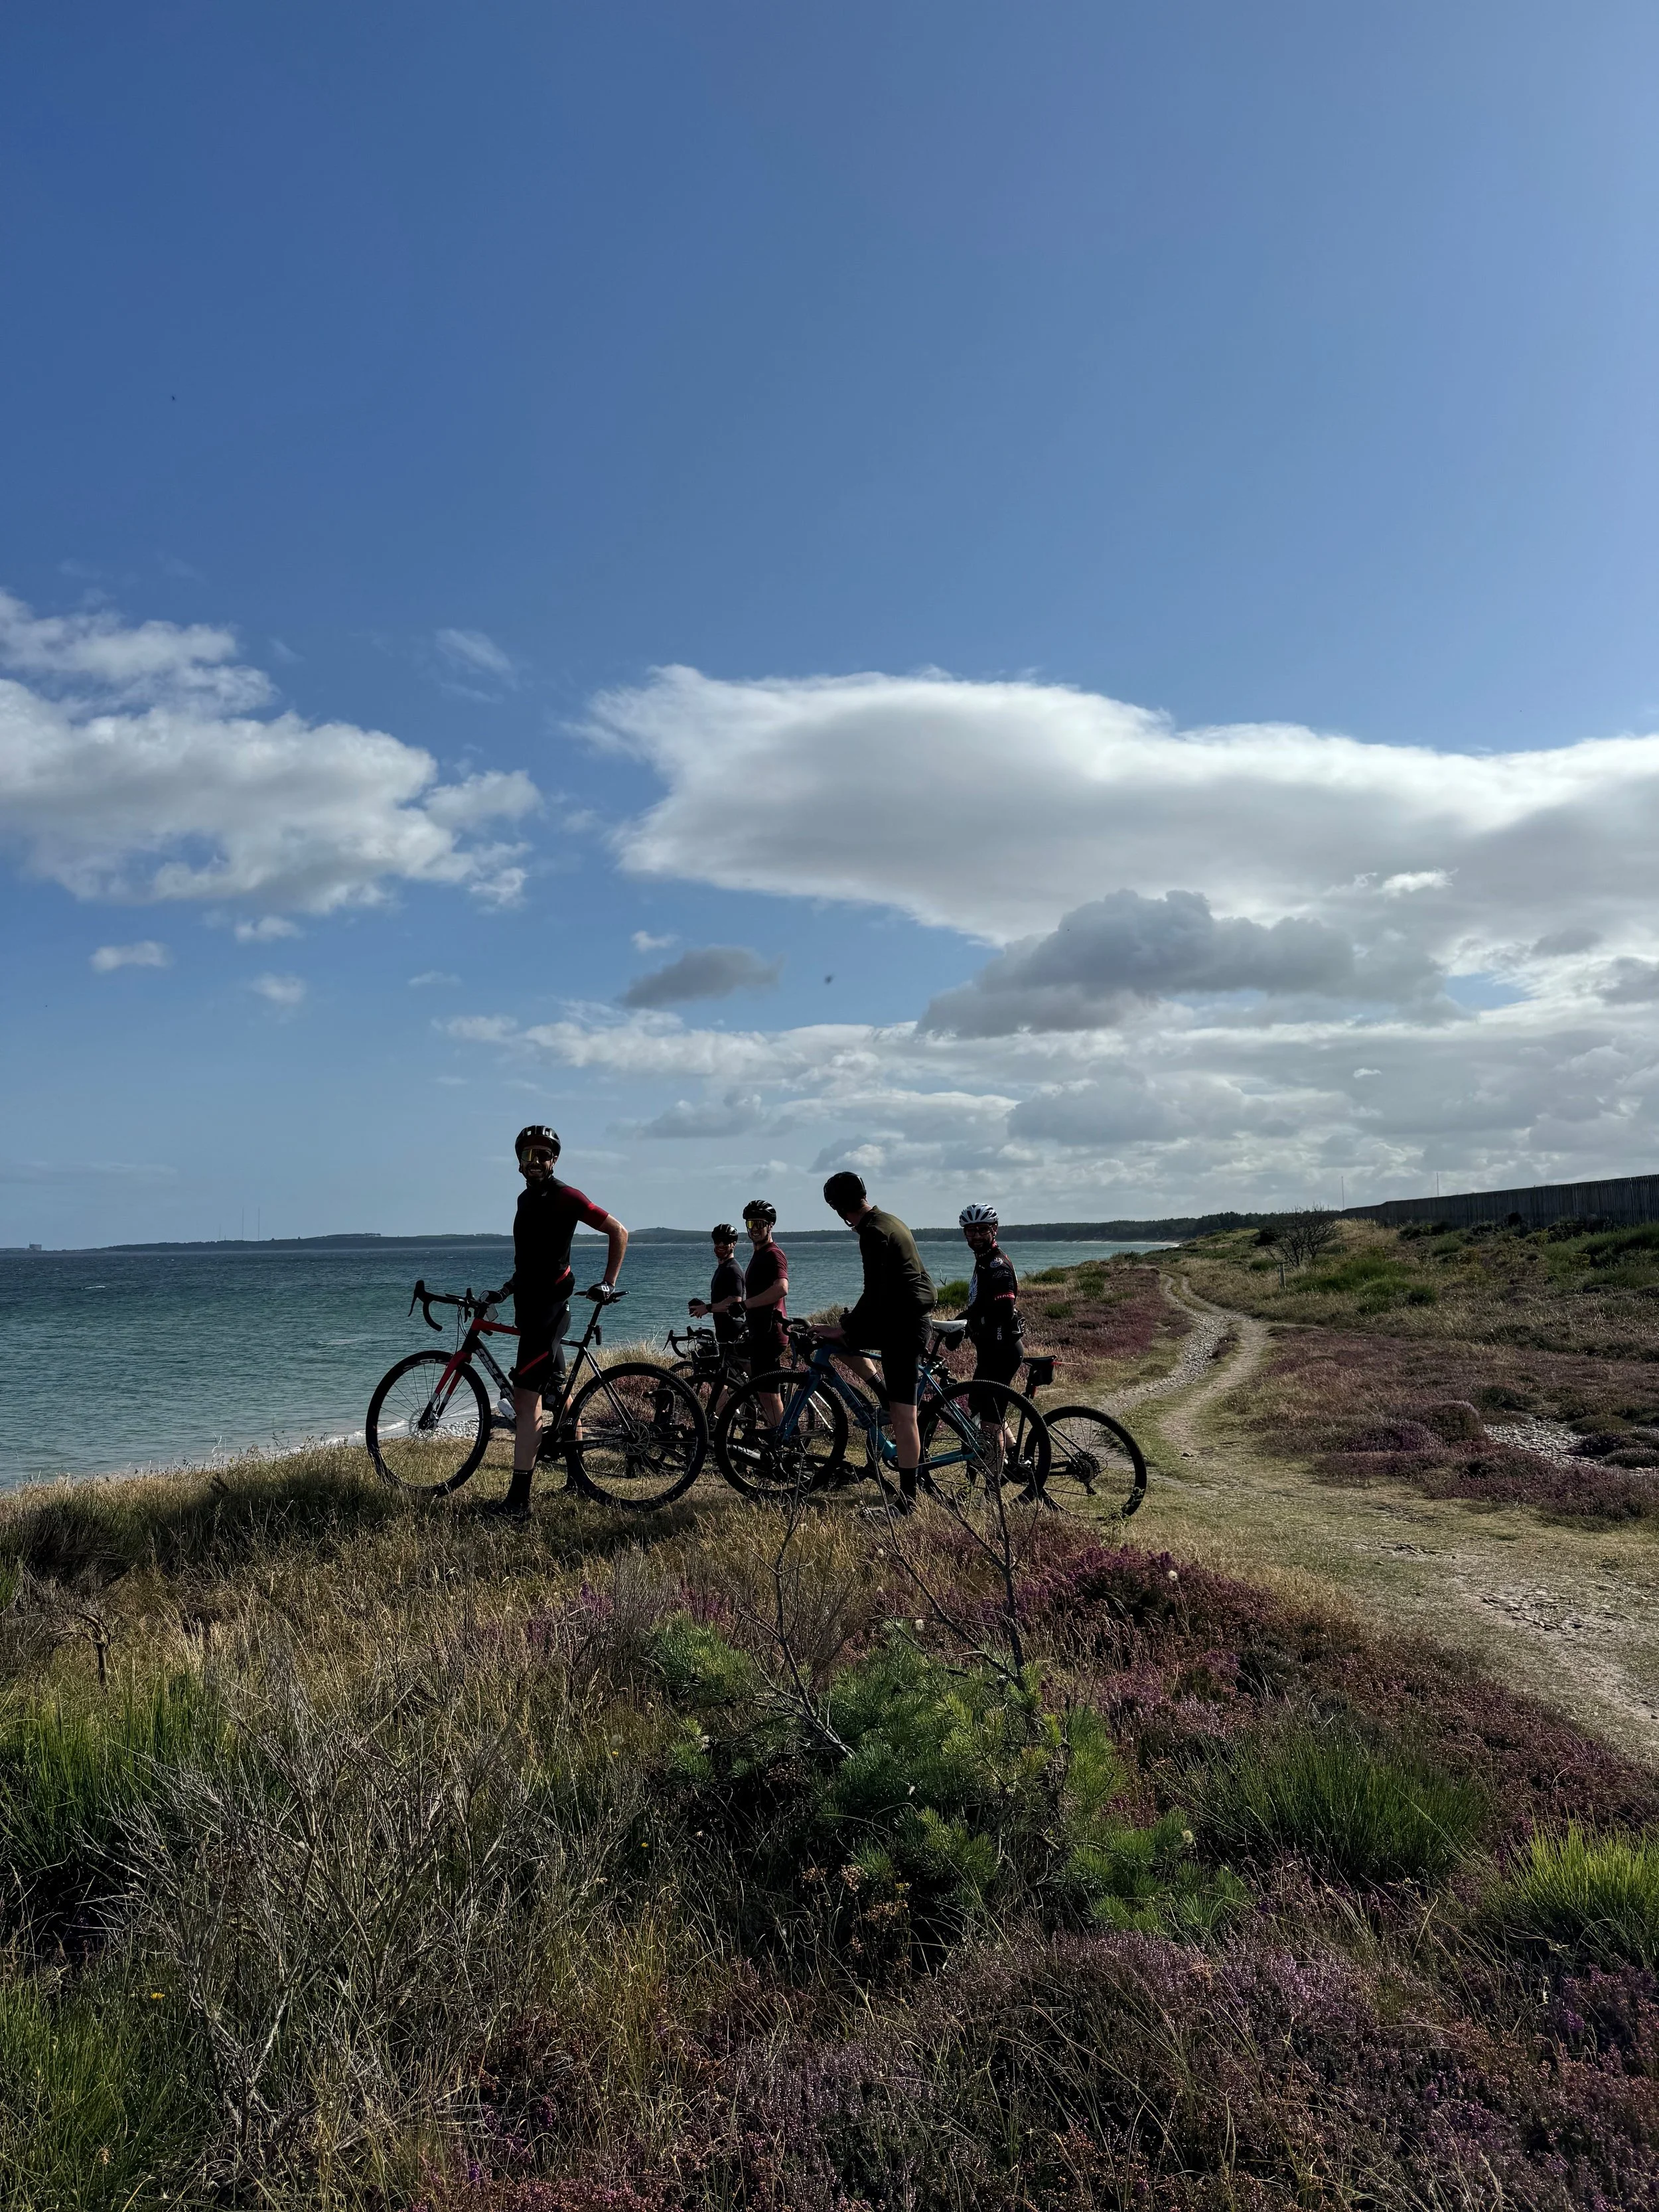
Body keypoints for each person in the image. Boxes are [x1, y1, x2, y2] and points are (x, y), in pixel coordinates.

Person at [494, 1125, 627, 1520]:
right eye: (527, 1155)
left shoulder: (566, 1196)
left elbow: (618, 1231)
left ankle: (519, 1503)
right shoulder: (524, 1199)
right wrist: (507, 1288)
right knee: (558, 1394)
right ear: (518, 1162)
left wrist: (608, 1283)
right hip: (529, 1304)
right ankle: (579, 1477)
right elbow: (531, 1258)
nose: (534, 1162)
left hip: (547, 1311)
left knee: (525, 1399)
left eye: (542, 1154)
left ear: (553, 1160)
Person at [816, 1169, 935, 1509]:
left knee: (904, 1416)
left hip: (904, 1325)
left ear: (839, 1209)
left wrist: (847, 1327)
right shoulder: (888, 1219)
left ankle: (907, 1501)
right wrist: (849, 1329)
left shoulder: (872, 1232)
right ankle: (881, 1394)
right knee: (842, 1342)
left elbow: (875, 1291)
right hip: (904, 1318)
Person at [958, 1202, 1023, 1429]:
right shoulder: (984, 1260)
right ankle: (1011, 1456)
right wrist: (962, 1321)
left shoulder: (997, 1265)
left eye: (982, 1229)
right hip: (991, 1349)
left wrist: (970, 1325)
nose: (976, 1235)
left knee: (989, 1417)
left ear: (994, 1229)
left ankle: (992, 1464)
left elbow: (1004, 1312)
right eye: (971, 1230)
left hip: (1002, 1350)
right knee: (979, 1405)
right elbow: (982, 1304)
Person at [740, 1200, 789, 1426]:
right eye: (751, 1223)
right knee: (764, 1392)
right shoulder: (759, 1253)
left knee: (770, 1395)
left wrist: (746, 1305)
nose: (755, 1228)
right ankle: (776, 1434)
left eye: (760, 1223)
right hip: (760, 1331)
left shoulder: (773, 1254)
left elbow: (781, 1288)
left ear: (771, 1225)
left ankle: (781, 1440)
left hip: (770, 1333)